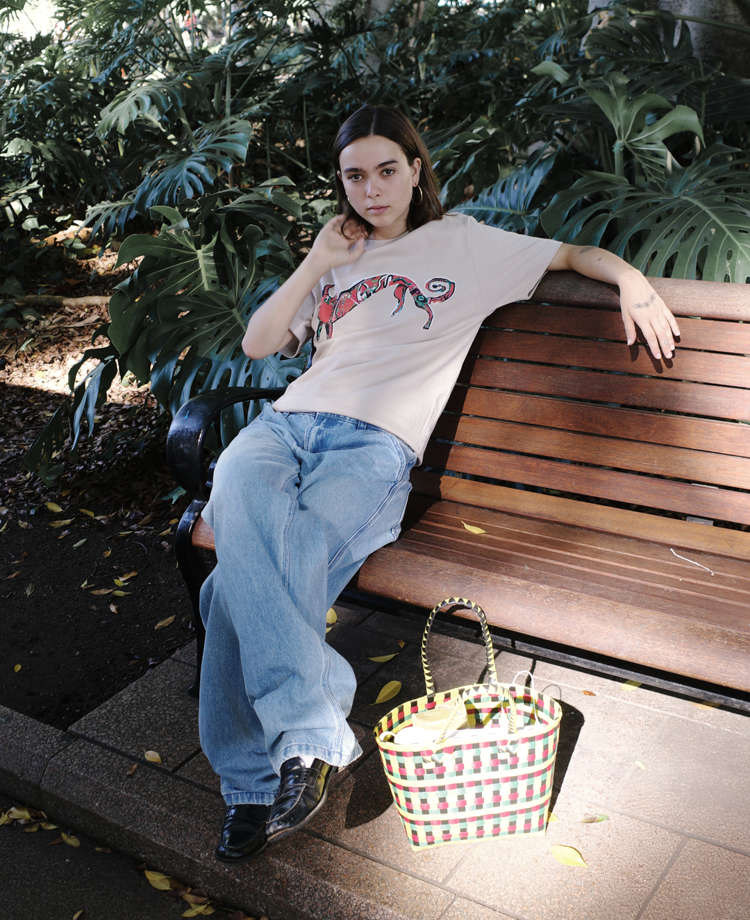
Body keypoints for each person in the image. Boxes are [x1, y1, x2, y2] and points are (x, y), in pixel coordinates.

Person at [198, 105, 680, 863]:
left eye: (387, 170)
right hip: (285, 428)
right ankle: (310, 738)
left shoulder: (466, 243)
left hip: (372, 447)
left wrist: (630, 279)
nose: (372, 189)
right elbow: (260, 343)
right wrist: (317, 261)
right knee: (232, 474)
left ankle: (253, 785)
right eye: (355, 175)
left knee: (233, 585)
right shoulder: (338, 250)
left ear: (416, 169)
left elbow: (573, 253)